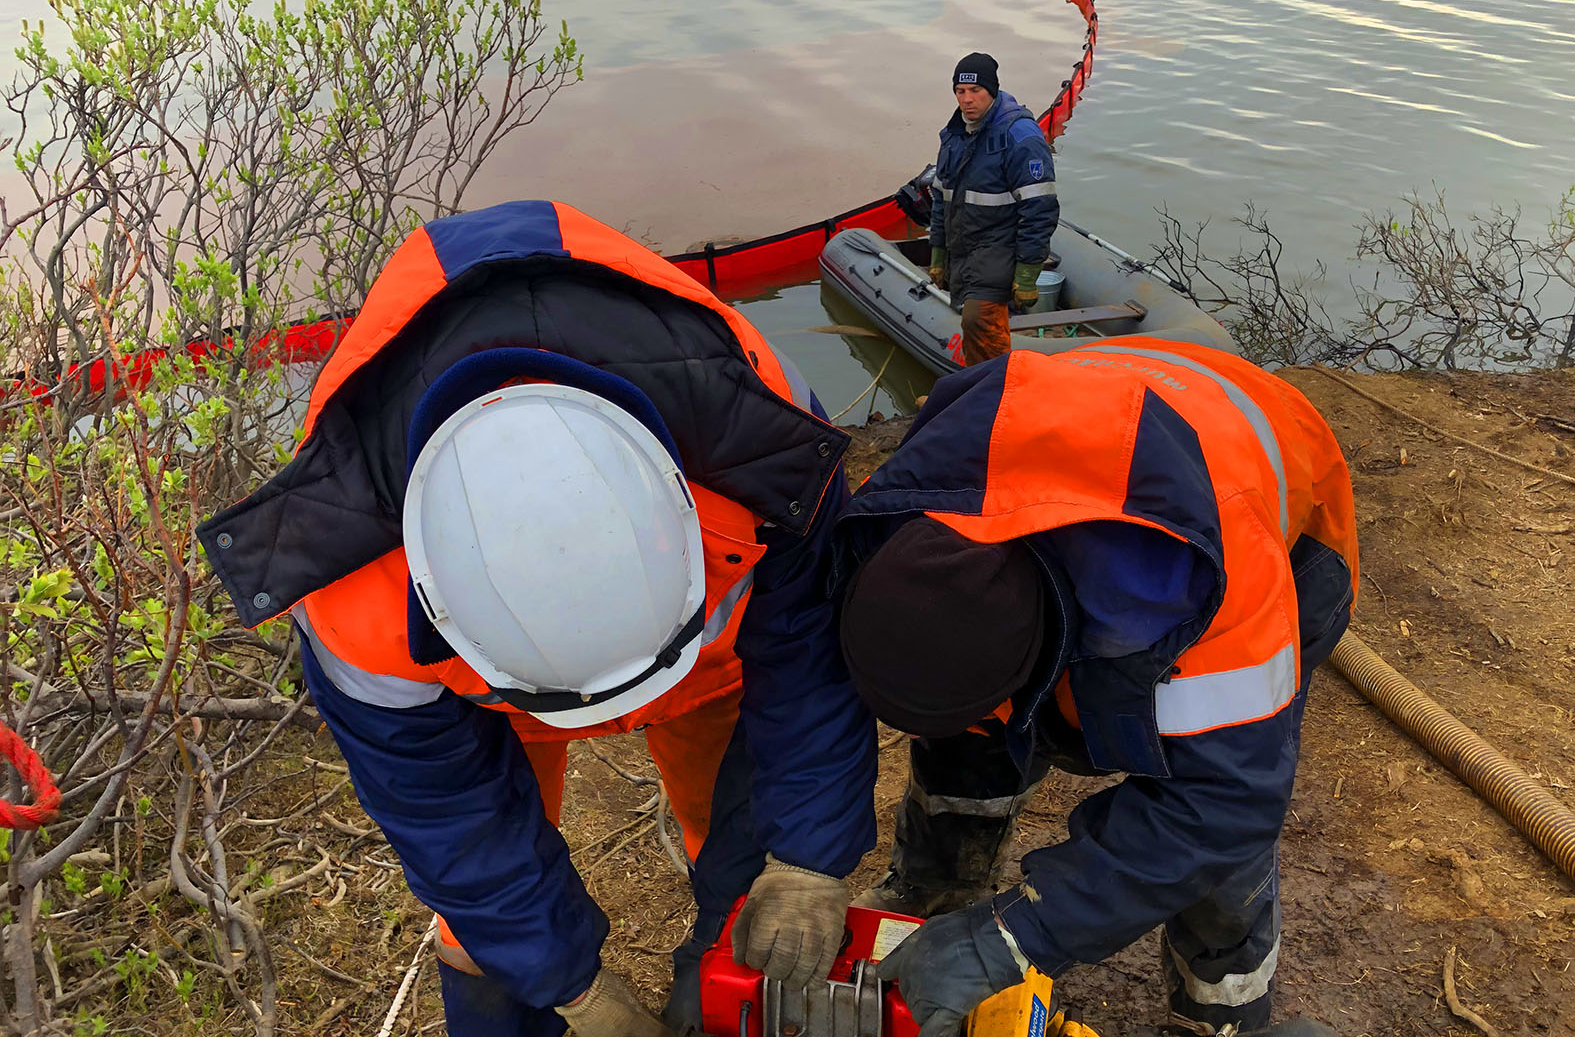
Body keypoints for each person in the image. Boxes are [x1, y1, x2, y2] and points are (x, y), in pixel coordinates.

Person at [199, 201, 877, 1037]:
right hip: (489, 693)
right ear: (439, 603)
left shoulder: (765, 434)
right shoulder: (352, 592)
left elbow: (810, 654)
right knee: (484, 929)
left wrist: (807, 853)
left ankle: (720, 987)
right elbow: (452, 821)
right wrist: (576, 991)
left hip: (708, 664)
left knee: (742, 857)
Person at [832, 340, 1359, 1036]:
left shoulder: (1214, 595)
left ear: (1048, 655)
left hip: (1272, 520)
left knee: (1216, 852)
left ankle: (1219, 1008)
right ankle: (934, 892)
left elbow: (1222, 803)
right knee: (967, 743)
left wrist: (1020, 935)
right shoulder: (888, 530)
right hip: (1086, 416)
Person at [929, 52, 1059, 366]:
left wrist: (1027, 274)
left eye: (976, 91)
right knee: (973, 324)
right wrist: (938, 255)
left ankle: (994, 393)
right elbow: (941, 198)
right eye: (960, 92)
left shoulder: (1020, 137)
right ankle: (980, 391)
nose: (967, 100)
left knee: (979, 321)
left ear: (993, 91)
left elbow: (1039, 207)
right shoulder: (955, 136)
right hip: (966, 246)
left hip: (1001, 246)